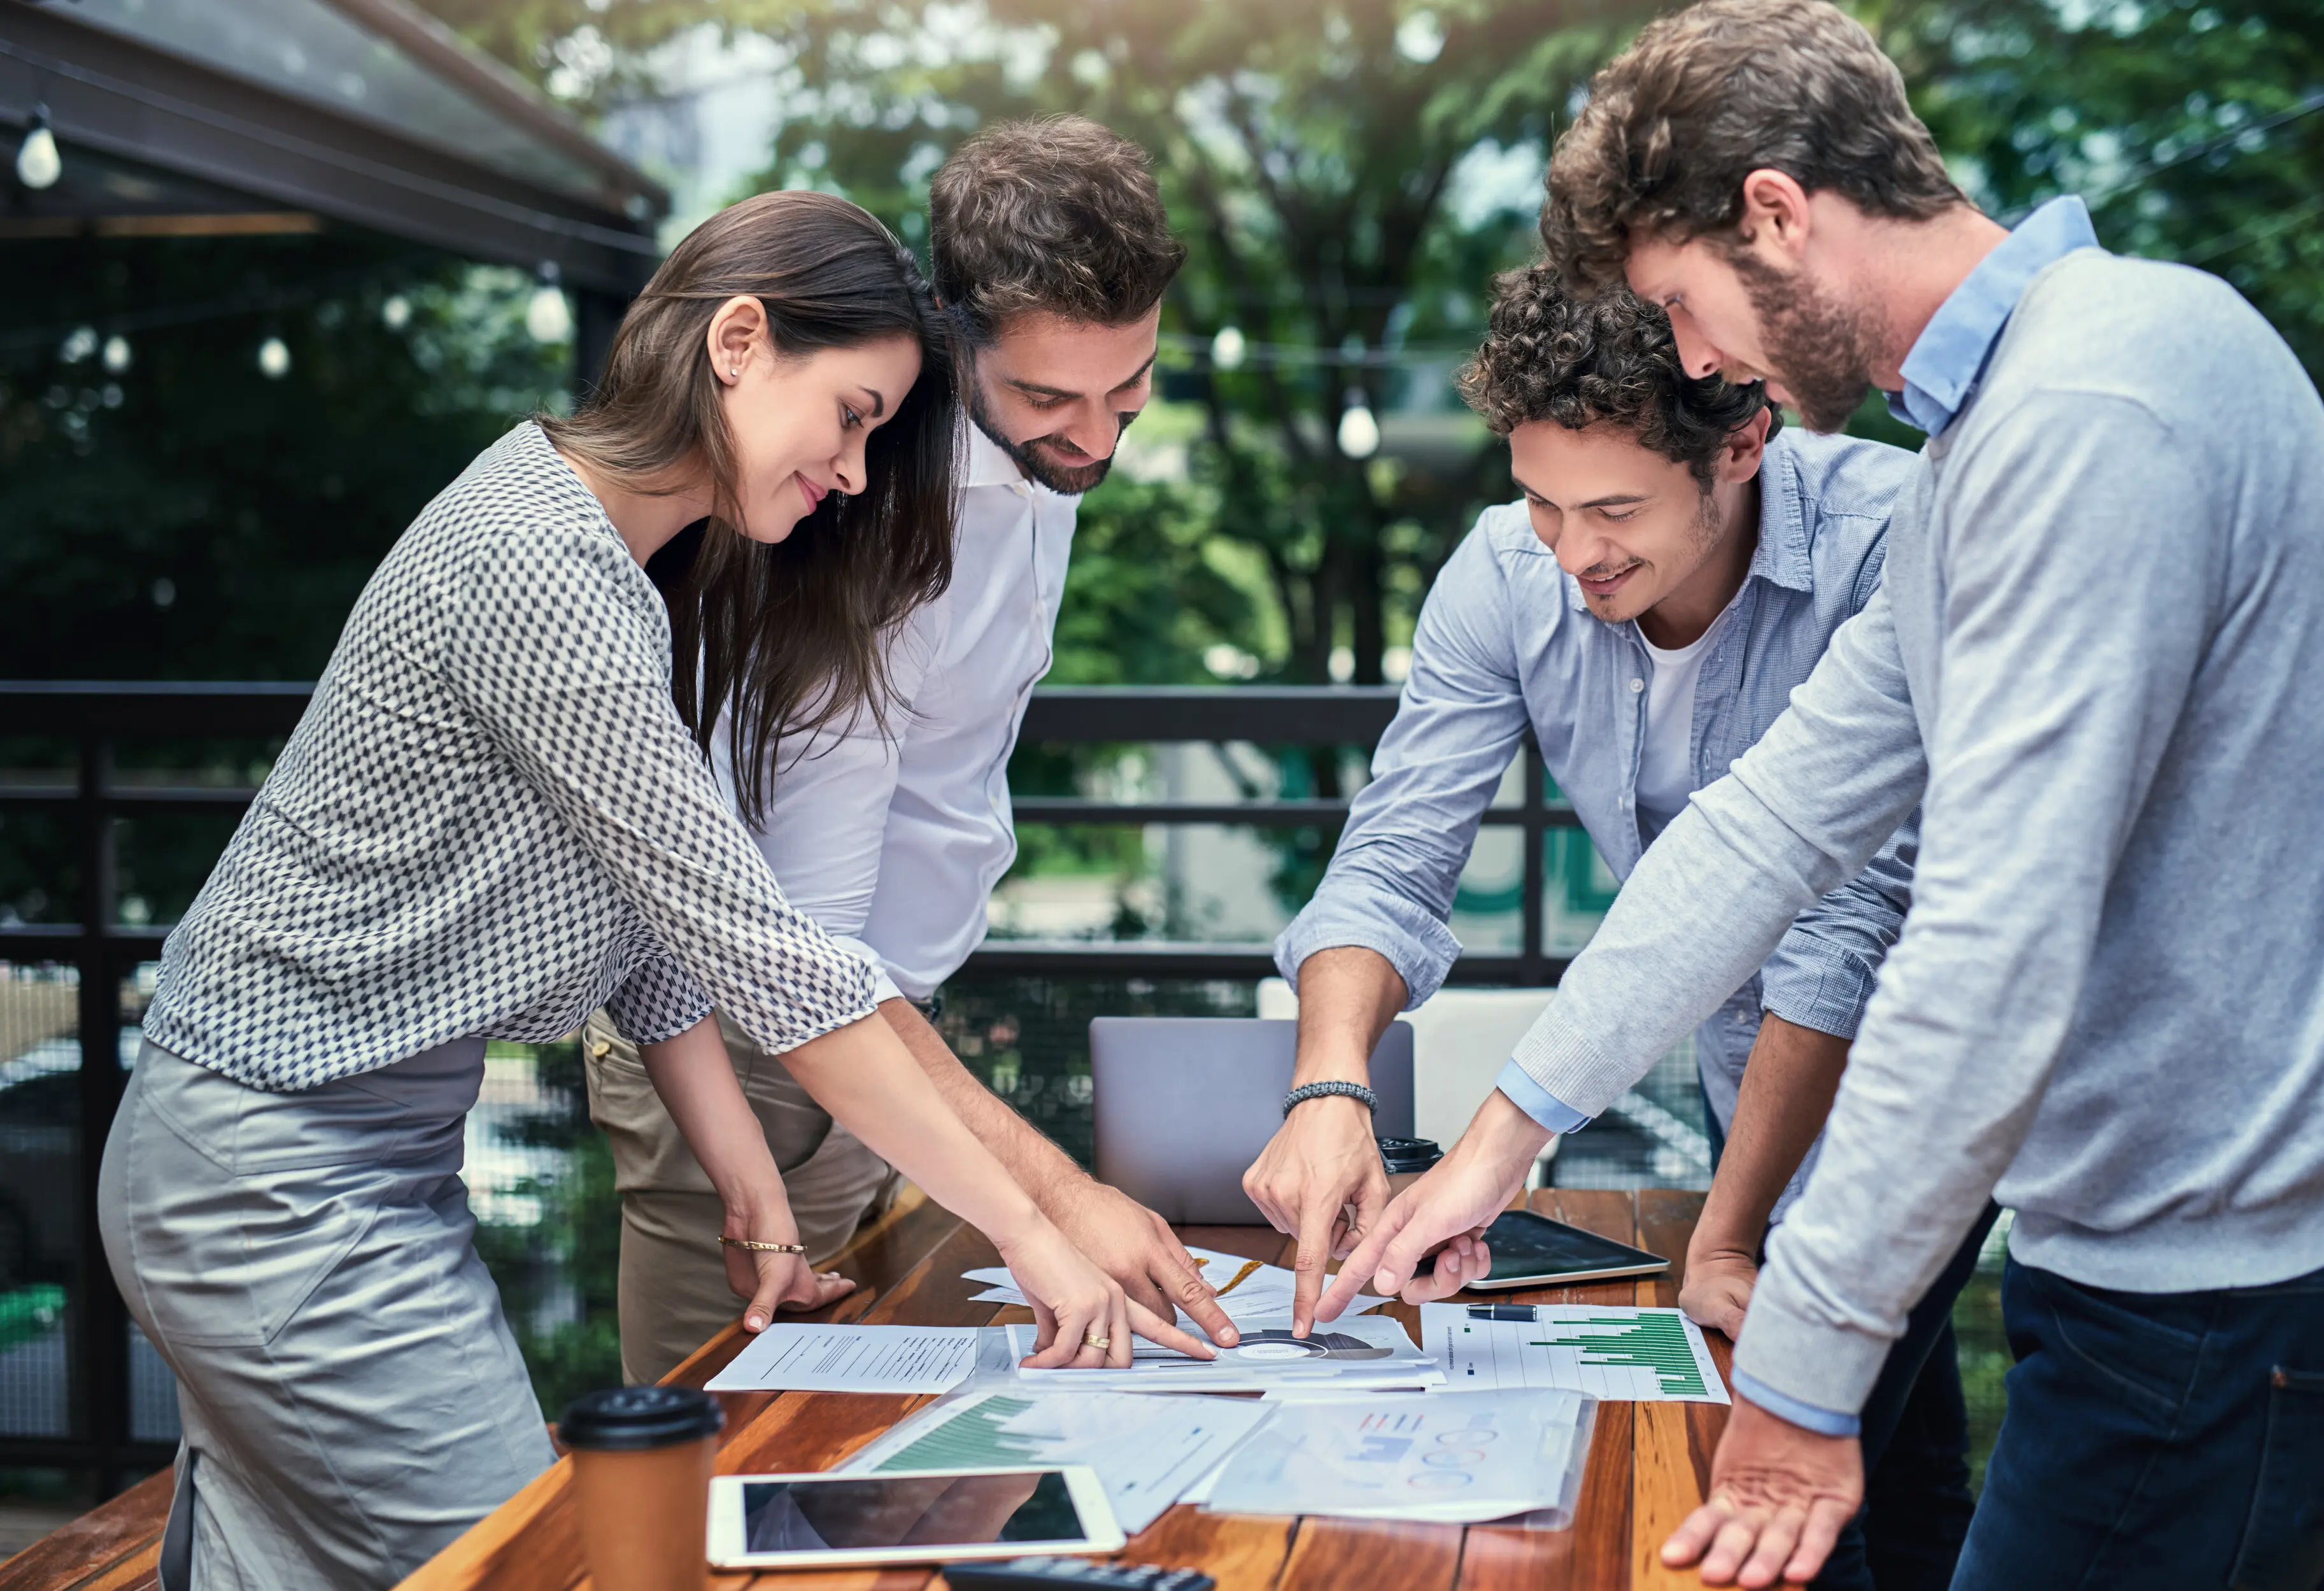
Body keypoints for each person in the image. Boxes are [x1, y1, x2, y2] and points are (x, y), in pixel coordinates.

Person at [1321, 4, 2324, 1587]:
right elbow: (1774, 823)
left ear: (1774, 213)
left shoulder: (2087, 412)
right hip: (2144, 1269)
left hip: (2227, 1294)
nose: (1689, 356)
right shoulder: (1996, 437)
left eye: (1680, 304)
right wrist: (1505, 1138)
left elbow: (1987, 938)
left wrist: (1807, 1358)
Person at [100, 189, 1203, 1591]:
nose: (859, 473)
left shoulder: (638, 560)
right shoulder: (540, 564)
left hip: (354, 1158)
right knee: (537, 1565)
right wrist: (1038, 1231)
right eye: (854, 416)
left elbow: (663, 932)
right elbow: (768, 956)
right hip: (268, 1172)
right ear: (738, 341)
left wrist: (754, 1189)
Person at [1244, 262, 1983, 1590]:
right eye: (1542, 500)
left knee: (1801, 1488)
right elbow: (1396, 857)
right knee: (1900, 1458)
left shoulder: (1894, 538)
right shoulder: (1504, 577)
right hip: (1737, 1076)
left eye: (1616, 508)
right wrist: (1331, 1085)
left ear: (1745, 444)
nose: (1574, 550)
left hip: (1911, 1089)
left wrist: (1730, 1226)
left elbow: (1846, 928)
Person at [581, 115, 1242, 1385]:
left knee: (844, 1449)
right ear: (955, 332)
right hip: (756, 1038)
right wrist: (1051, 1197)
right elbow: (815, 952)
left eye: (1130, 393)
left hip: (895, 1039)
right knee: (709, 1447)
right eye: (1051, 399)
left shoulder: (1045, 458)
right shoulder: (863, 512)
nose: (1097, 440)